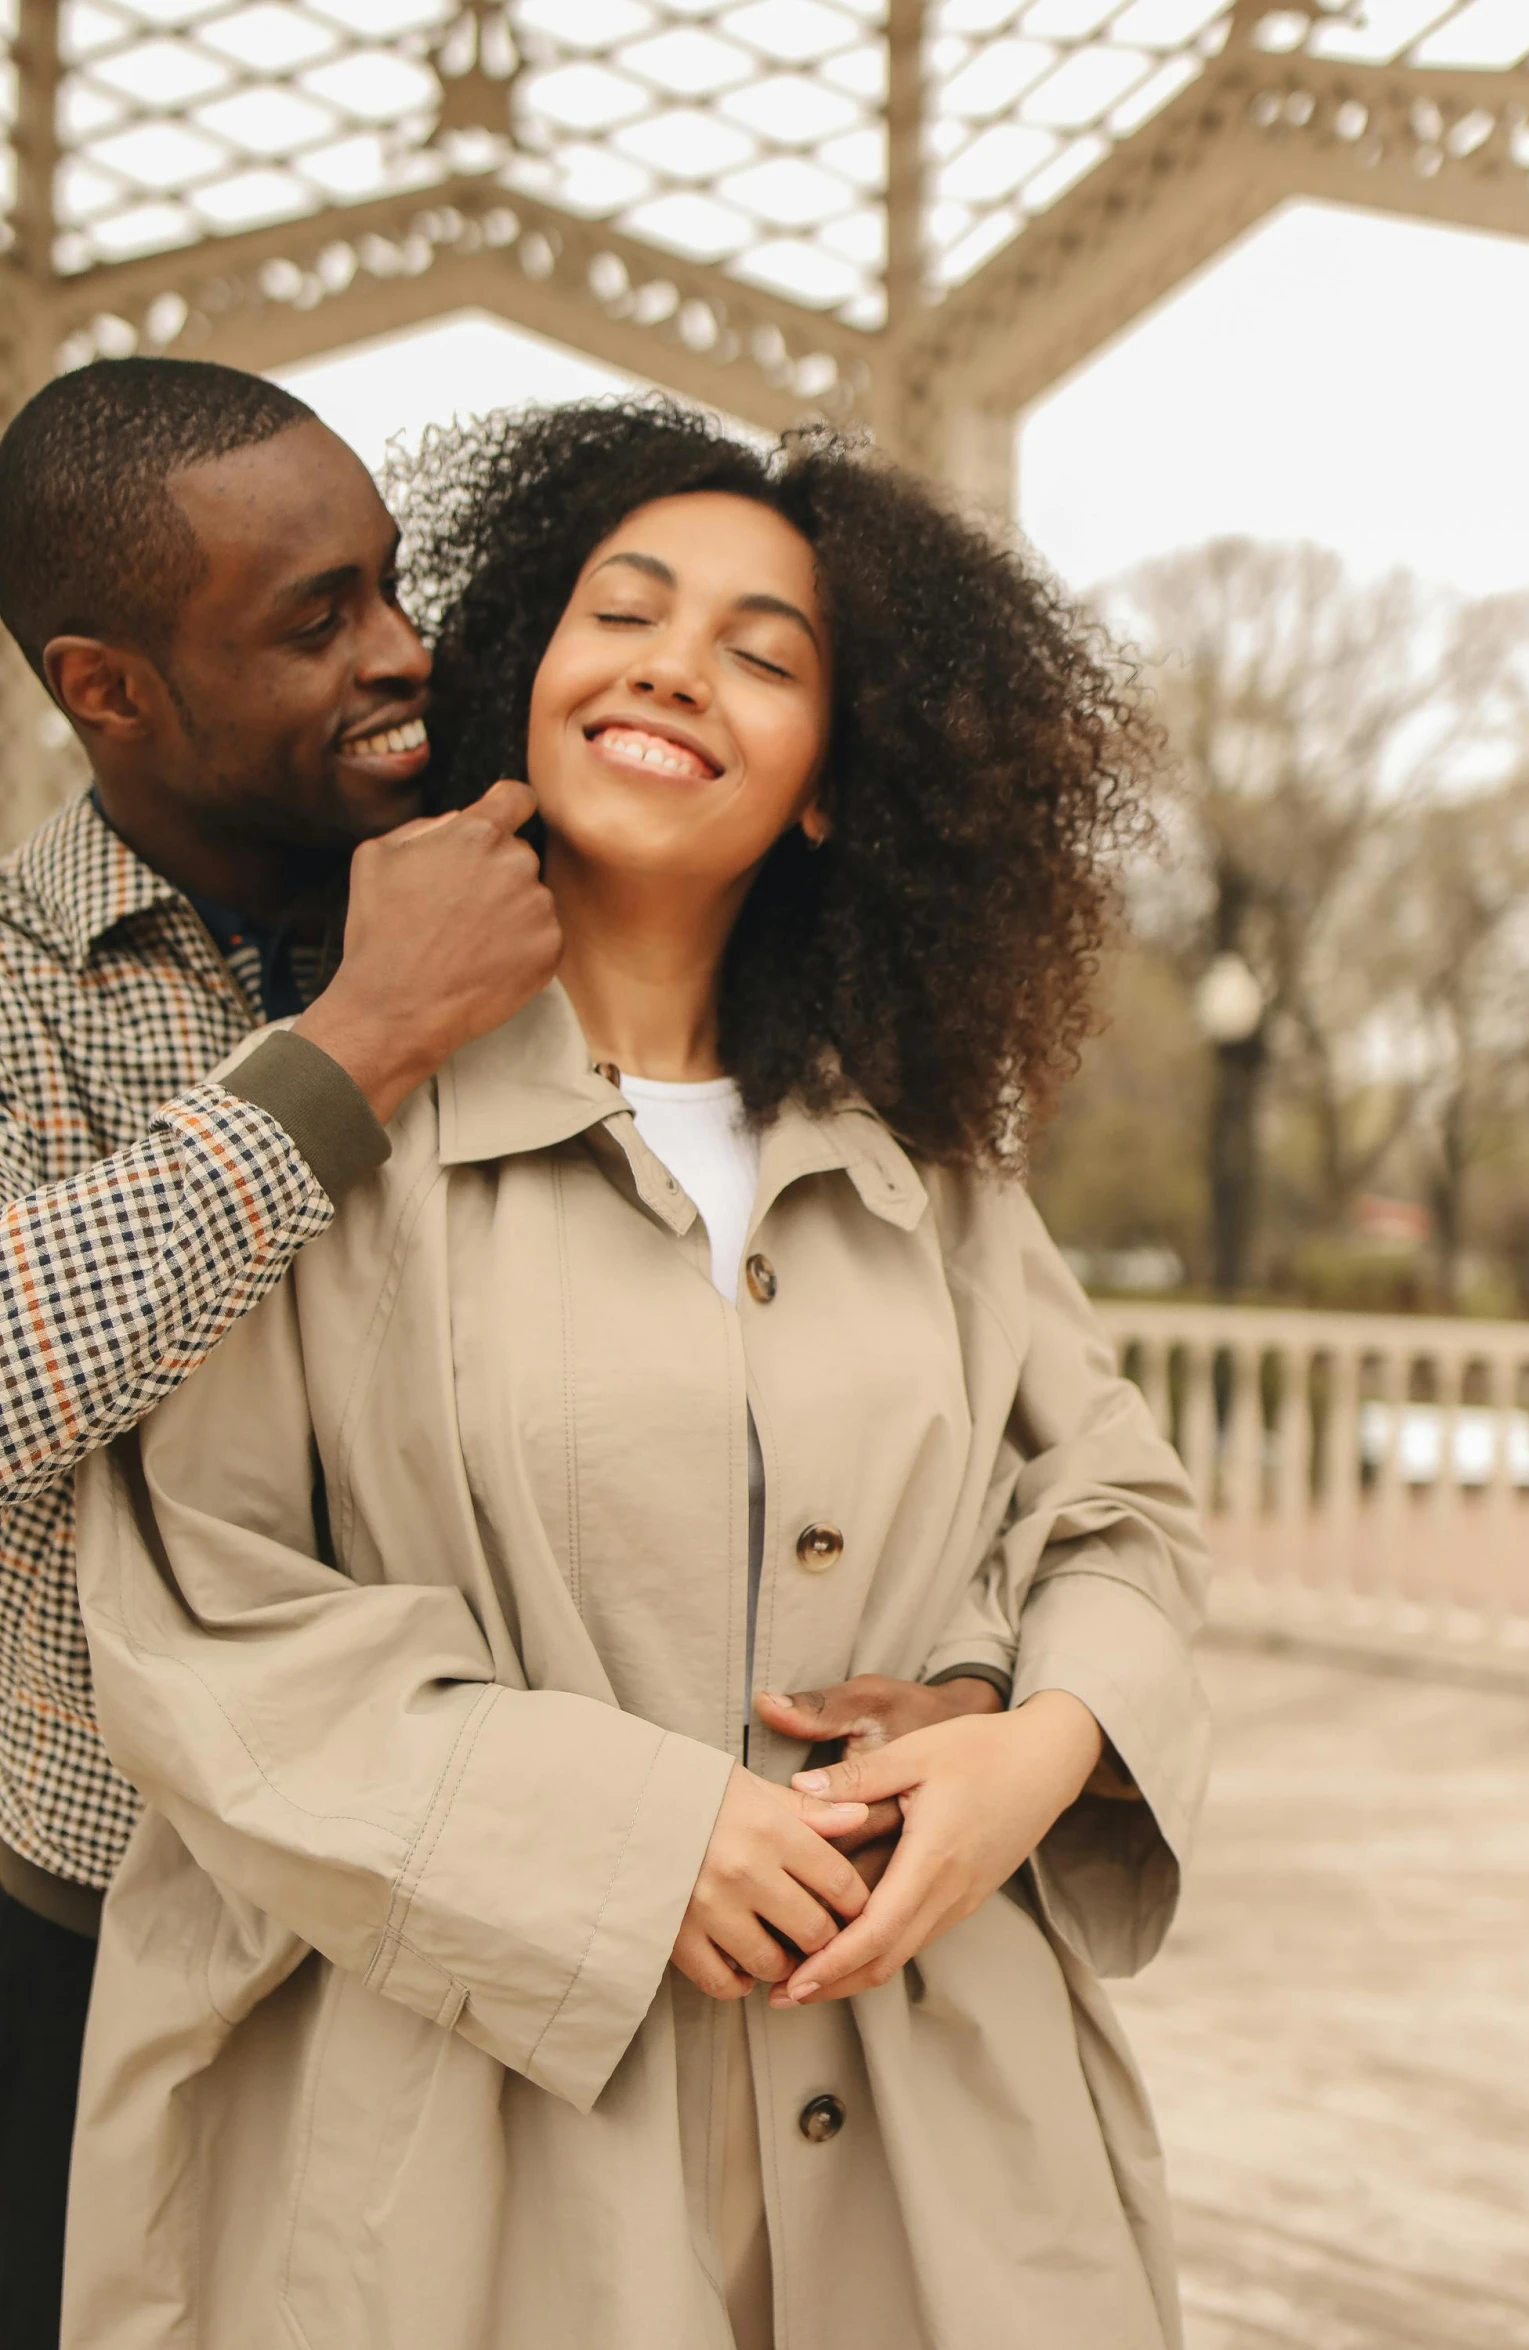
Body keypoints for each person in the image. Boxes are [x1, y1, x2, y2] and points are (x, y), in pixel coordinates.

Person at [68, 400, 1212, 2350]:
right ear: (523, 679)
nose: (683, 663)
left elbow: (1119, 1507)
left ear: (831, 781)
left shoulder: (931, 1151)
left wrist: (1035, 1746)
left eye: (767, 653)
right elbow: (200, 1607)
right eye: (631, 611)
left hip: (948, 2139)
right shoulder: (332, 1113)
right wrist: (630, 1837)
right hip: (462, 2145)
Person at [0, 356, 561, 2349]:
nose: (401, 650)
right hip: (104, 1941)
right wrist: (356, 1046)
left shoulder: (516, 883)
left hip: (511, 1891)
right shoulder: (14, 980)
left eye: (392, 585)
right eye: (315, 621)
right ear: (108, 685)